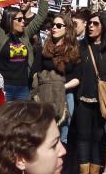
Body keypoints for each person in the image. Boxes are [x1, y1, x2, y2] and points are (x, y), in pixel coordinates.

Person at [68, 12, 106, 174]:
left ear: (104, 26)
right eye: (89, 23)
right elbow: (75, 72)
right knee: (83, 138)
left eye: (95, 23)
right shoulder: (82, 47)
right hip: (83, 100)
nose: (91, 26)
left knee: (99, 140)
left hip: (104, 102)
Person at [31, 13, 80, 144]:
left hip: (65, 95)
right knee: (43, 134)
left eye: (58, 26)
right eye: (53, 25)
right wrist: (45, 84)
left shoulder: (73, 50)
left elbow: (77, 77)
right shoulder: (43, 48)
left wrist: (61, 87)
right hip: (44, 94)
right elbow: (34, 72)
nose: (54, 28)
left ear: (67, 29)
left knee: (62, 136)